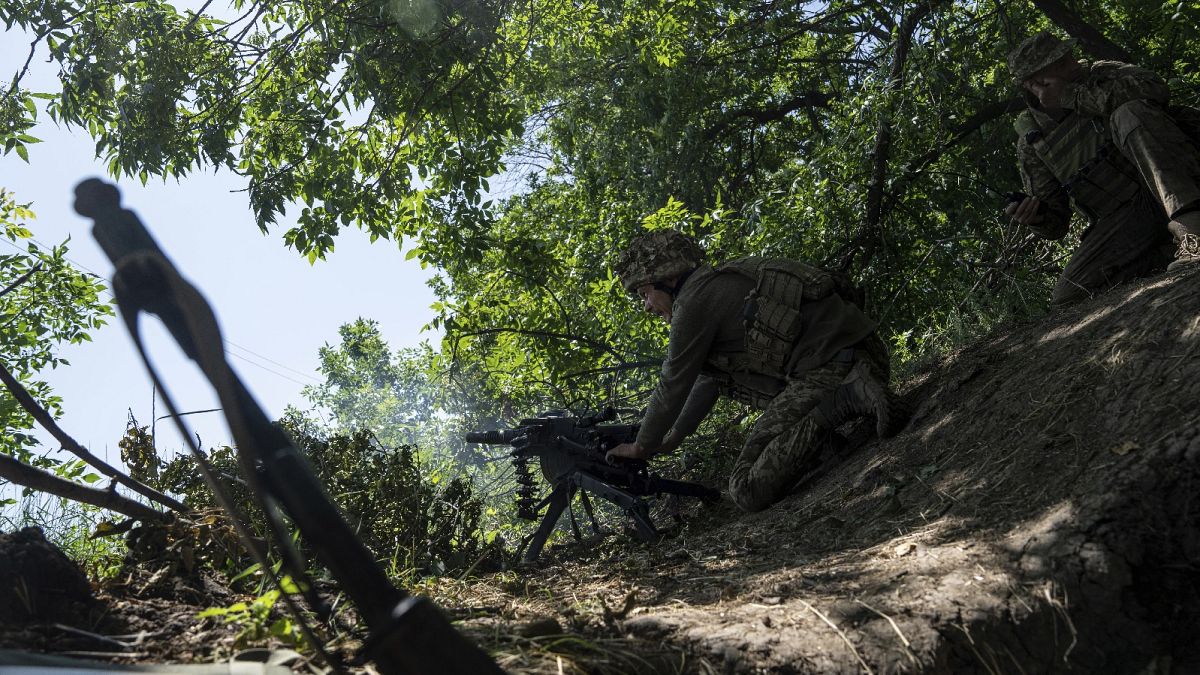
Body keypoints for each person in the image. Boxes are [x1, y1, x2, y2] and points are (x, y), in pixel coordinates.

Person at [604, 230, 906, 512]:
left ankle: (847, 399)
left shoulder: (692, 304)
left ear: (666, 278)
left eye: (645, 294)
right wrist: (673, 438)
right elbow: (710, 381)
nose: (646, 306)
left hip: (831, 370)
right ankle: (835, 426)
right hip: (868, 352)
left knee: (746, 489)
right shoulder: (723, 278)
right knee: (732, 380)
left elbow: (673, 382)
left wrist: (641, 445)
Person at [1003, 32, 1200, 306]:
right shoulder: (1034, 140)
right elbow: (1056, 224)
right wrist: (1036, 217)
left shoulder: (1103, 73)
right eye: (1059, 63)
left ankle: (1193, 235)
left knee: (1128, 113)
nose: (1072, 63)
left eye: (1066, 56)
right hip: (1129, 214)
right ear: (1034, 83)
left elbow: (1154, 88)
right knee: (1068, 296)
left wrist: (1070, 95)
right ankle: (1168, 250)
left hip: (1182, 178)